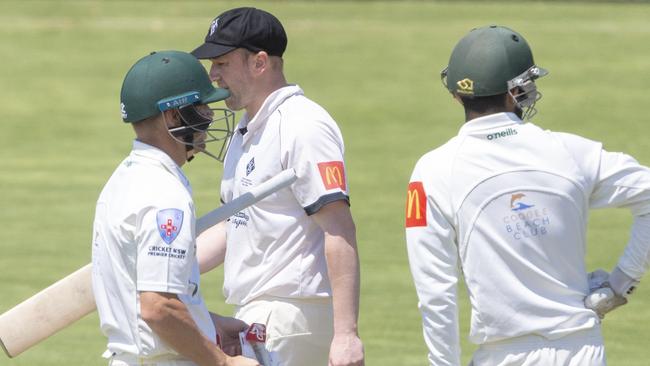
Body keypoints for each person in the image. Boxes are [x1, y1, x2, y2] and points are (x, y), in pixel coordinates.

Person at [405, 25, 650, 366]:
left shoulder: (432, 171)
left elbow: (436, 293)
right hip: (583, 350)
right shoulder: (571, 152)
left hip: (501, 356)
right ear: (518, 90)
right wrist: (622, 283)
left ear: (456, 94)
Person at [190, 7, 365, 366]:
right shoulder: (246, 131)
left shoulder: (303, 125)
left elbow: (338, 226)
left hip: (292, 314)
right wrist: (172, 263)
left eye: (222, 63)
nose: (213, 75)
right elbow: (235, 227)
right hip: (259, 312)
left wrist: (346, 334)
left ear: (260, 62)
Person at [91, 50, 259, 366]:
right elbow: (158, 307)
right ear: (172, 116)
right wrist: (223, 362)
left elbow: (142, 294)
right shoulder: (164, 194)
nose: (209, 117)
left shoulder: (122, 179)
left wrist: (206, 323)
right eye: (201, 107)